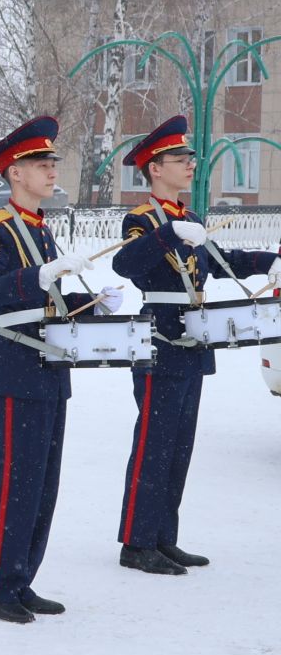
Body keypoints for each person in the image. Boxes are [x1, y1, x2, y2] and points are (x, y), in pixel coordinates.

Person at [110, 115, 280, 576]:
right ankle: (137, 540)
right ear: (154, 167)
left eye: (189, 157)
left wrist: (271, 259)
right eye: (179, 158)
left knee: (179, 446)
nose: (190, 164)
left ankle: (163, 537)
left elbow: (222, 262)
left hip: (193, 340)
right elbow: (126, 264)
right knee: (153, 443)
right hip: (161, 337)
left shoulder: (190, 218)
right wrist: (167, 234)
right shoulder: (143, 218)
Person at [0, 117, 101, 624]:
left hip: (50, 367)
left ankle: (23, 580)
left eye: (51, 163)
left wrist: (91, 301)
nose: (50, 171)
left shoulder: (41, 229)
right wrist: (37, 276)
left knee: (43, 483)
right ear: (14, 173)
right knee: (16, 483)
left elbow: (52, 299)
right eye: (41, 164)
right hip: (18, 366)